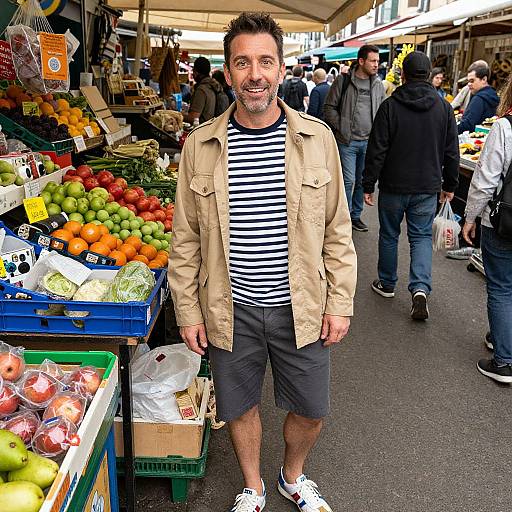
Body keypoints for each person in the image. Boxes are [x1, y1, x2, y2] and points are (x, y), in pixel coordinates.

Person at [169, 11, 357, 512]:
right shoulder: (199, 146)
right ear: (228, 72)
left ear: (280, 68)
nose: (255, 74)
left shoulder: (317, 140)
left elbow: (338, 231)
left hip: (304, 305)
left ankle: (292, 476)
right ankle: (251, 487)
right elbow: (184, 239)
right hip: (231, 306)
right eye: (243, 62)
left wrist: (340, 302)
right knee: (239, 406)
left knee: (312, 409)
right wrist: (188, 311)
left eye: (265, 62)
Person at [362, 51, 459, 320]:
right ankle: (419, 289)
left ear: (402, 74)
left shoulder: (390, 106)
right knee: (420, 237)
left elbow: (377, 149)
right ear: (429, 76)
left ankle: (387, 283)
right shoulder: (444, 108)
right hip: (427, 187)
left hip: (393, 185)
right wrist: (450, 184)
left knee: (390, 234)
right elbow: (452, 151)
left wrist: (368, 184)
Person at [462, 73, 512, 384]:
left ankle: (504, 360)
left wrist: (471, 217)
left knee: (501, 287)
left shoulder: (505, 127)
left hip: (505, 221)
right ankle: (502, 336)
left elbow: (486, 178)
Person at [324, 44, 386, 232]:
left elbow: (382, 110)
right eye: (373, 60)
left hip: (369, 142)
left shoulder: (377, 84)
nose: (377, 64)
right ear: (361, 61)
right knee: (348, 180)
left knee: (362, 180)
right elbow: (329, 107)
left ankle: (355, 216)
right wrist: (342, 127)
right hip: (347, 142)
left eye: (378, 61)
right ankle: (342, 216)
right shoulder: (343, 81)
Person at [183, 56, 229, 124]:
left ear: (196, 72)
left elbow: (194, 118)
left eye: (194, 71)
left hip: (203, 130)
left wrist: (177, 115)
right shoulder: (213, 85)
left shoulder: (202, 89)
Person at [457, 63, 499, 134]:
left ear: (484, 79)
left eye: (472, 81)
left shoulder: (479, 99)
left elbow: (467, 125)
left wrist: (449, 130)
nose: (469, 84)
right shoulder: (493, 94)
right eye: (468, 81)